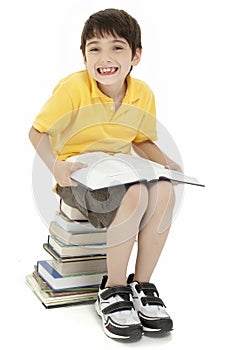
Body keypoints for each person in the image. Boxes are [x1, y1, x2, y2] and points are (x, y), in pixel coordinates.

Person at [29, 8, 182, 342]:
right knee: (138, 194)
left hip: (119, 171)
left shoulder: (142, 93)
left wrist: (165, 161)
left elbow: (140, 138)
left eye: (116, 47)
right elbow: (37, 132)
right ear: (83, 56)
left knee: (165, 189)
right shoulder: (73, 89)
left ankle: (141, 285)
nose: (104, 57)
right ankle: (112, 289)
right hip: (79, 174)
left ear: (135, 55)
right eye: (94, 48)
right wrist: (57, 166)